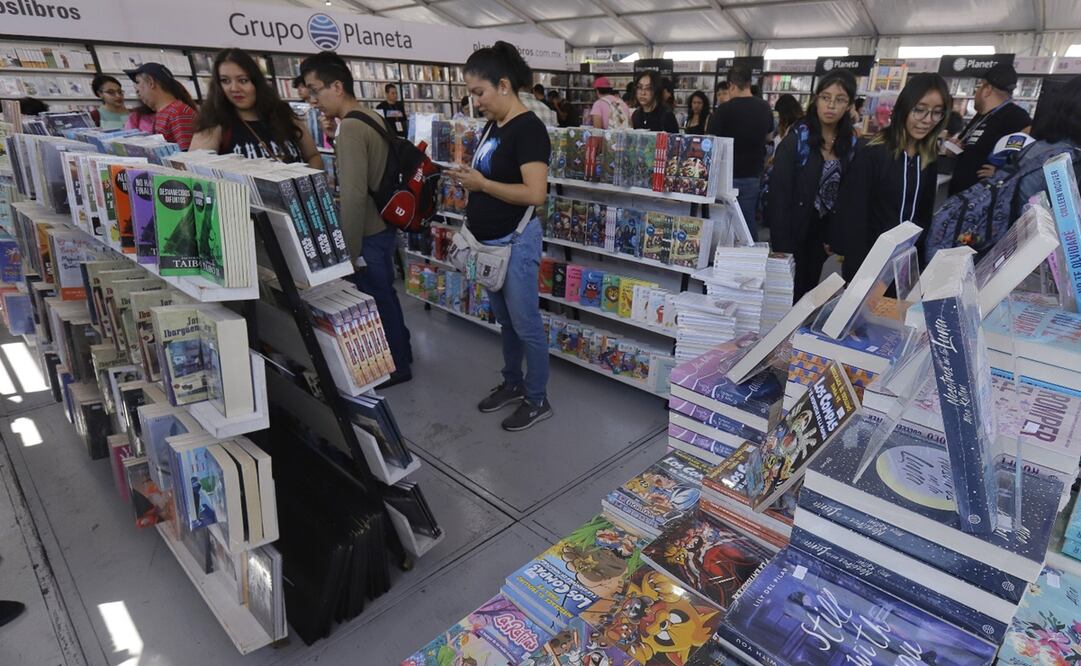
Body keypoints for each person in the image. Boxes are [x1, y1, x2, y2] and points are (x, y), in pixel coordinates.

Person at [447, 41, 552, 431]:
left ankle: (537, 398)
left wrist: (483, 185)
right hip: (486, 243)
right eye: (471, 94)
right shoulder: (494, 125)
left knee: (526, 325)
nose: (476, 103)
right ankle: (512, 382)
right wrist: (470, 182)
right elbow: (490, 177)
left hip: (515, 242)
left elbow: (535, 194)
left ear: (503, 84)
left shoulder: (529, 130)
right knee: (507, 322)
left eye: (479, 92)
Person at [301, 52, 413, 387]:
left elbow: (351, 196)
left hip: (366, 231)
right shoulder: (370, 116)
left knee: (375, 300)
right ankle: (403, 353)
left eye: (315, 89)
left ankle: (396, 366)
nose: (313, 99)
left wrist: (346, 254)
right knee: (386, 295)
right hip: (384, 224)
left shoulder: (349, 128)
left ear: (337, 86)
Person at [832, 73, 952, 281]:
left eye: (936, 113)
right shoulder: (873, 154)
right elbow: (854, 218)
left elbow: (923, 215)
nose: (927, 120)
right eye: (920, 110)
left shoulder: (928, 158)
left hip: (906, 268)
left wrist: (919, 264)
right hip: (869, 267)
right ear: (905, 108)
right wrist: (858, 276)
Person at [767, 71, 859, 300]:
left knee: (810, 291)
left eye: (840, 100)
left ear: (849, 105)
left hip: (822, 233)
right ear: (816, 99)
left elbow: (847, 194)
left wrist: (837, 235)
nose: (831, 106)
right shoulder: (797, 139)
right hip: (793, 229)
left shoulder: (851, 142)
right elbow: (779, 195)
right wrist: (780, 246)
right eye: (825, 97)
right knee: (786, 293)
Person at [189, 49, 321, 168]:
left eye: (243, 80)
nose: (234, 88)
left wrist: (306, 186)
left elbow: (313, 156)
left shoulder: (283, 113)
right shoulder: (214, 124)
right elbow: (196, 174)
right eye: (225, 81)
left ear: (256, 82)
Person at [707, 63, 774, 240]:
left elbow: (711, 142)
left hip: (725, 176)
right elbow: (769, 137)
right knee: (747, 222)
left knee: (722, 222)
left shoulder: (723, 110)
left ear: (731, 85)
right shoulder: (765, 107)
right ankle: (751, 259)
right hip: (753, 174)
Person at [945, 63, 1032, 195]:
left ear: (987, 90)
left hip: (980, 203)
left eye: (979, 87)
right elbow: (964, 146)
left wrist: (1003, 173)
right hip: (959, 195)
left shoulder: (1016, 116)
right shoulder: (981, 116)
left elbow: (1031, 153)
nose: (977, 93)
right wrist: (953, 149)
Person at [125, 62, 197, 150]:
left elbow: (188, 154)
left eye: (138, 82)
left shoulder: (179, 112)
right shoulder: (165, 112)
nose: (137, 90)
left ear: (151, 82)